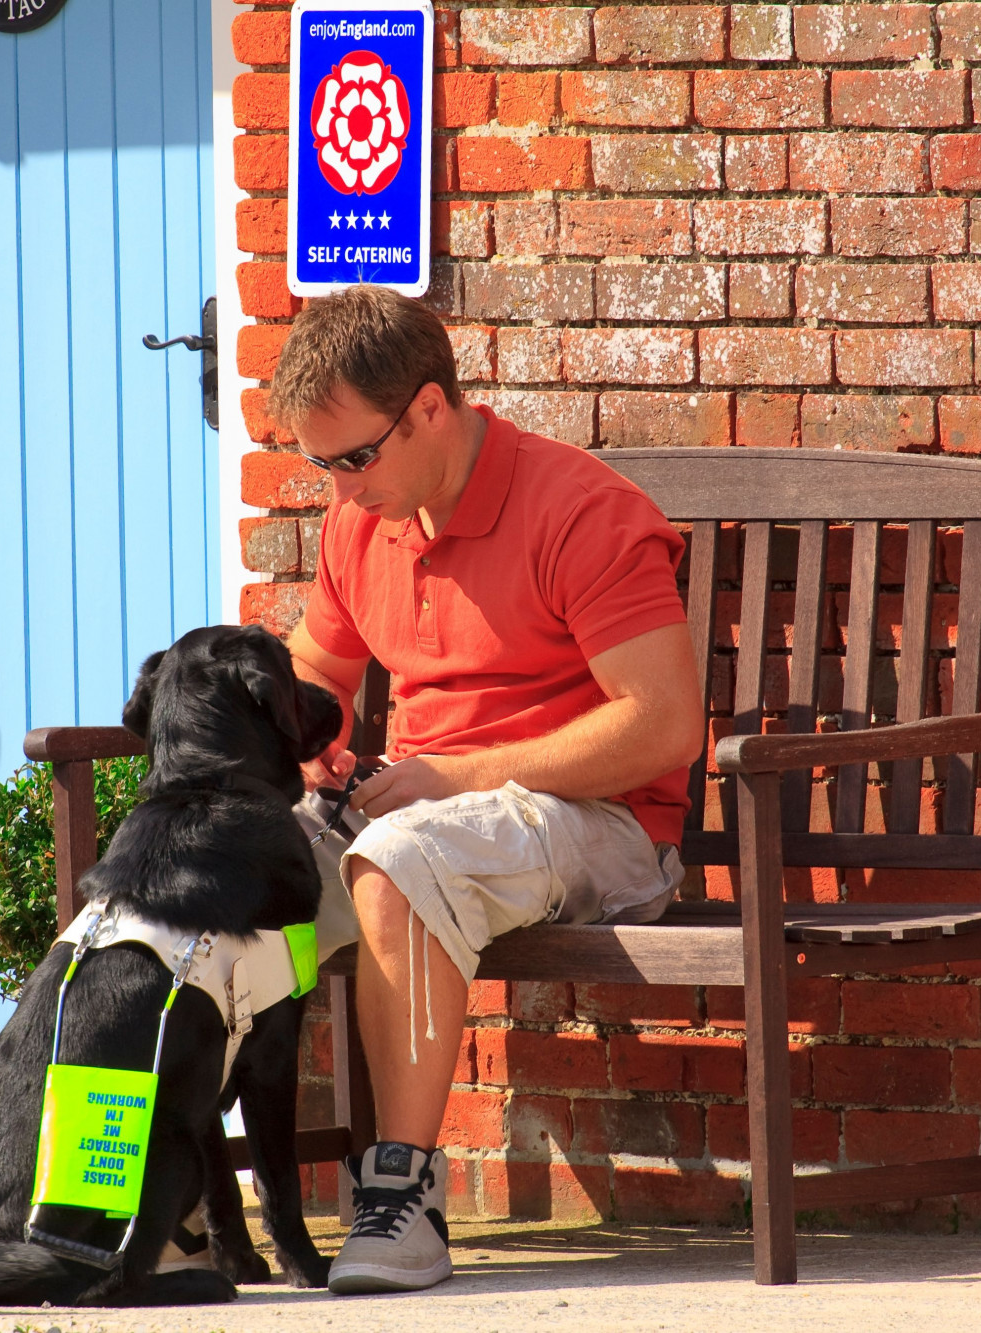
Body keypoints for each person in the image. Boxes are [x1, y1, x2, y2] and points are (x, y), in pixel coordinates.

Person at [266, 286, 705, 1294]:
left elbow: (661, 724)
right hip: (419, 810)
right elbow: (313, 672)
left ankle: (399, 1198)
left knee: (400, 857)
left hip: (599, 825)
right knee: (220, 870)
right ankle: (166, 1190)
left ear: (426, 410)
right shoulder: (359, 525)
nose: (338, 490)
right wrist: (306, 744)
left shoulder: (578, 510)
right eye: (317, 465)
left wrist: (455, 776)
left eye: (352, 459)